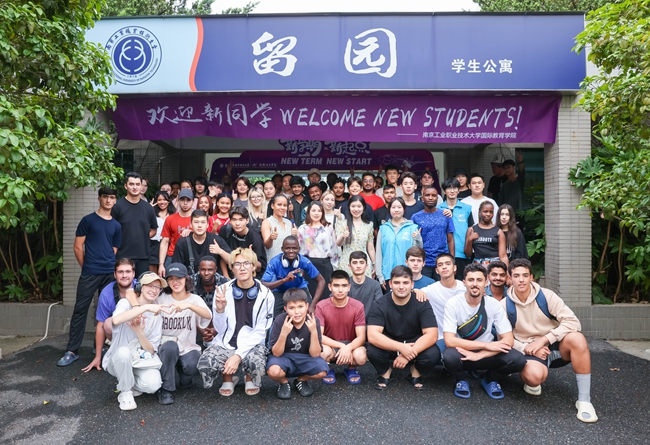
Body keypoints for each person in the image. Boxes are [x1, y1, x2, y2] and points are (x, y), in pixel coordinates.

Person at [504, 259, 598, 422]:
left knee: (578, 339)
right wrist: (528, 347)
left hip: (556, 346)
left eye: (525, 275)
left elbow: (573, 322)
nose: (521, 280)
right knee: (534, 378)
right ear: (510, 278)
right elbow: (505, 338)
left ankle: (584, 400)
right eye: (516, 276)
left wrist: (544, 340)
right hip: (531, 351)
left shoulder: (546, 296)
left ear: (531, 277)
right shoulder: (504, 305)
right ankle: (533, 381)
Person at [57, 186, 122, 367]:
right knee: (80, 309)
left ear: (115, 200)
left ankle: (100, 348)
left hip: (109, 273)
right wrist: (86, 266)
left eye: (112, 197)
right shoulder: (88, 220)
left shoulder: (116, 225)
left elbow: (114, 250)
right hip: (90, 272)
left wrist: (107, 265)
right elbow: (77, 247)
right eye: (105, 197)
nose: (108, 200)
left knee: (107, 311)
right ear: (99, 198)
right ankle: (72, 351)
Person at [197, 248, 274, 396]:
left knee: (256, 363)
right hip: (227, 340)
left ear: (253, 266)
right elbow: (220, 329)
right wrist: (220, 310)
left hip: (253, 342)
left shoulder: (266, 295)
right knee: (205, 363)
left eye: (246, 263)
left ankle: (249, 377)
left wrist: (237, 356)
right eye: (237, 264)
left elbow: (260, 331)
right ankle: (228, 378)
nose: (242, 268)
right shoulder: (222, 290)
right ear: (232, 268)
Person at [442, 264, 526, 399]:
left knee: (518, 359)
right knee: (449, 357)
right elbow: (449, 340)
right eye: (471, 280)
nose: (475, 284)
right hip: (463, 352)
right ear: (464, 283)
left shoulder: (494, 304)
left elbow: (509, 340)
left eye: (479, 280)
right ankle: (461, 380)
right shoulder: (453, 303)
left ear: (486, 282)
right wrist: (487, 345)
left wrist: (480, 354)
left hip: (488, 355)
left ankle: (490, 379)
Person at [367, 266, 440, 390]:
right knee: (372, 350)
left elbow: (432, 334)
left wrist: (407, 354)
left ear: (412, 284)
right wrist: (401, 347)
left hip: (414, 344)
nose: (401, 287)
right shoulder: (380, 304)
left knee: (433, 354)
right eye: (397, 283)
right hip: (390, 345)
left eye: (405, 283)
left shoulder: (422, 302)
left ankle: (415, 371)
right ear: (390, 284)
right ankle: (385, 371)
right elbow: (373, 335)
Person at [102, 272, 167, 411]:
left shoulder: (157, 313)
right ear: (140, 287)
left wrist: (139, 332)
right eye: (150, 286)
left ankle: (129, 383)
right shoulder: (126, 303)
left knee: (153, 385)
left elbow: (151, 349)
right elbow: (116, 320)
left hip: (140, 360)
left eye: (157, 287)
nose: (154, 290)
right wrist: (144, 308)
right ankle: (125, 392)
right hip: (118, 360)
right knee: (124, 353)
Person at [156, 263, 212, 405]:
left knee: (193, 364)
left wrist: (188, 305)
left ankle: (184, 376)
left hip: (187, 347)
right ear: (167, 281)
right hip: (165, 347)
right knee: (170, 347)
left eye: (179, 278)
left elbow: (208, 315)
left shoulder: (194, 299)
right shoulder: (161, 298)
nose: (175, 282)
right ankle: (166, 389)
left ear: (186, 279)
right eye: (171, 279)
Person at [266, 288, 330, 399]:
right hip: (284, 357)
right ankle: (284, 382)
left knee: (322, 370)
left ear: (307, 306)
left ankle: (301, 380)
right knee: (273, 371)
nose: (297, 312)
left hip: (305, 357)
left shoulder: (313, 320)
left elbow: (315, 354)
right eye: (291, 308)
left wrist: (313, 332)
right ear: (285, 309)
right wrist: (283, 333)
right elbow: (276, 353)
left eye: (300, 307)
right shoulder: (280, 320)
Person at [81, 259, 137, 372]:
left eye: (128, 271)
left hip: (139, 328)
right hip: (120, 330)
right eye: (120, 272)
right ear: (115, 274)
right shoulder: (107, 293)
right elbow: (100, 325)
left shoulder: (142, 288)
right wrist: (97, 357)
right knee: (107, 323)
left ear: (133, 274)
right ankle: (118, 351)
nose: (124, 275)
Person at [316, 270, 367, 385]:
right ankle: (328, 367)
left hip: (352, 346)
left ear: (349, 287)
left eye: (344, 286)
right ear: (330, 287)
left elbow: (361, 337)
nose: (340, 290)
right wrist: (341, 346)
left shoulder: (358, 306)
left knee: (361, 356)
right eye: (336, 285)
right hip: (330, 346)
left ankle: (351, 368)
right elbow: (319, 336)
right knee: (320, 352)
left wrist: (348, 347)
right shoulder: (321, 306)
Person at [262, 236, 326, 317]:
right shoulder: (274, 262)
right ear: (282, 249)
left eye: (294, 248)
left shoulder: (305, 262)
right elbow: (263, 284)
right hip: (279, 290)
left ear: (299, 249)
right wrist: (284, 280)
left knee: (308, 314)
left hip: (299, 288)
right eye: (287, 248)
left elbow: (321, 281)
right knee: (272, 316)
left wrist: (312, 305)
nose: (291, 251)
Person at [112, 172, 158, 276]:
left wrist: (141, 236)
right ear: (125, 186)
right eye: (131, 184)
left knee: (142, 284)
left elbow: (153, 230)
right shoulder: (117, 206)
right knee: (123, 284)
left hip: (143, 256)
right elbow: (111, 230)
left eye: (137, 184)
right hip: (123, 256)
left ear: (141, 186)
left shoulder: (148, 208)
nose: (135, 187)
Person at [421, 253, 466, 355]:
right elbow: (412, 293)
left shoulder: (465, 287)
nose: (444, 267)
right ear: (437, 270)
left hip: (465, 336)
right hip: (441, 338)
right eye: (440, 265)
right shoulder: (432, 289)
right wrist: (416, 291)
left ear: (455, 268)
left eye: (447, 264)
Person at [297, 201, 344, 298]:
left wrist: (335, 268)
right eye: (313, 210)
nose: (316, 213)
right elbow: (298, 249)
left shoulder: (328, 227)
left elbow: (334, 248)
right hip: (307, 265)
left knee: (325, 295)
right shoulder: (302, 228)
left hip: (324, 264)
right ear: (309, 212)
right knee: (307, 296)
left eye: (319, 211)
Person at [375, 197, 422, 289]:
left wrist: (418, 238)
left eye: (399, 207)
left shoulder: (412, 227)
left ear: (404, 209)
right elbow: (379, 253)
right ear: (389, 209)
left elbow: (417, 252)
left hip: (406, 274)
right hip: (388, 275)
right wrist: (379, 275)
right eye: (393, 207)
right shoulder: (383, 228)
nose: (396, 210)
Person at [411, 186, 454, 280]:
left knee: (443, 287)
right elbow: (413, 241)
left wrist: (452, 260)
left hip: (442, 261)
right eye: (427, 195)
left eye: (433, 195)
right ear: (422, 198)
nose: (430, 198)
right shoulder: (415, 217)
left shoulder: (445, 215)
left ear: (437, 198)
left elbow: (450, 239)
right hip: (424, 262)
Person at [172, 210, 232, 277]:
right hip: (190, 281)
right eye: (196, 222)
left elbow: (232, 262)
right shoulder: (182, 243)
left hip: (213, 280)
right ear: (191, 224)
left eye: (203, 222)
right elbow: (176, 268)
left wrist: (220, 251)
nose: (199, 225)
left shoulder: (216, 240)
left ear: (207, 224)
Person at [439, 177, 474, 280]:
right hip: (444, 253)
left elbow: (471, 229)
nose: (452, 191)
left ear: (459, 190)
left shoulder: (466, 208)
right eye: (449, 188)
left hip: (463, 253)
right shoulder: (438, 209)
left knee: (463, 282)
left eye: (455, 188)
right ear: (444, 191)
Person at [218, 207, 267, 274]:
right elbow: (221, 257)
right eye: (234, 220)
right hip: (229, 273)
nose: (237, 223)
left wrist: (251, 258)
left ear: (247, 220)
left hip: (248, 274)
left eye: (241, 220)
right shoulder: (226, 231)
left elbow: (260, 267)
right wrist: (226, 276)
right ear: (230, 221)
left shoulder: (255, 238)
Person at [338, 195, 375, 279]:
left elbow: (370, 248)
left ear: (363, 208)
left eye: (359, 206)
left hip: (364, 263)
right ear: (349, 207)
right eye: (353, 206)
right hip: (347, 262)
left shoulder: (369, 225)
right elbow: (338, 243)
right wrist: (343, 236)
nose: (356, 209)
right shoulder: (342, 223)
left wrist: (374, 264)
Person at [158, 188, 193, 277]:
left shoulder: (198, 220)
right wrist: (161, 264)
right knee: (169, 282)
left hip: (191, 256)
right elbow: (165, 242)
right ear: (178, 200)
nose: (185, 203)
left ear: (193, 201)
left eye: (188, 200)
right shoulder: (170, 219)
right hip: (172, 255)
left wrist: (192, 231)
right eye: (182, 199)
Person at [465, 201, 508, 266]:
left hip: (494, 265)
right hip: (478, 265)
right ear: (479, 212)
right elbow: (468, 254)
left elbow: (503, 255)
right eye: (485, 211)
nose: (488, 214)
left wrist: (506, 270)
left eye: (491, 212)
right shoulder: (472, 230)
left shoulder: (498, 231)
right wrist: (470, 239)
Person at [261, 194, 298, 262]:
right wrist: (271, 238)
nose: (282, 208)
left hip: (289, 262)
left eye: (284, 205)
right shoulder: (267, 222)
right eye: (279, 204)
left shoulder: (289, 223)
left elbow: (294, 245)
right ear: (272, 206)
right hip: (274, 263)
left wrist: (295, 235)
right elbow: (267, 245)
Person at [347, 251, 383, 319]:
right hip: (348, 322)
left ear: (366, 266)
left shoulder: (374, 284)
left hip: (370, 322)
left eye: (361, 262)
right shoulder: (344, 284)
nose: (358, 266)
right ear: (349, 266)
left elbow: (380, 306)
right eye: (355, 263)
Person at [151, 191, 176, 273]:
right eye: (159, 200)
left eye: (164, 200)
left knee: (166, 269)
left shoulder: (173, 214)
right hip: (153, 244)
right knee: (153, 271)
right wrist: (149, 210)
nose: (162, 202)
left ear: (169, 201)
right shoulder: (152, 213)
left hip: (168, 244)